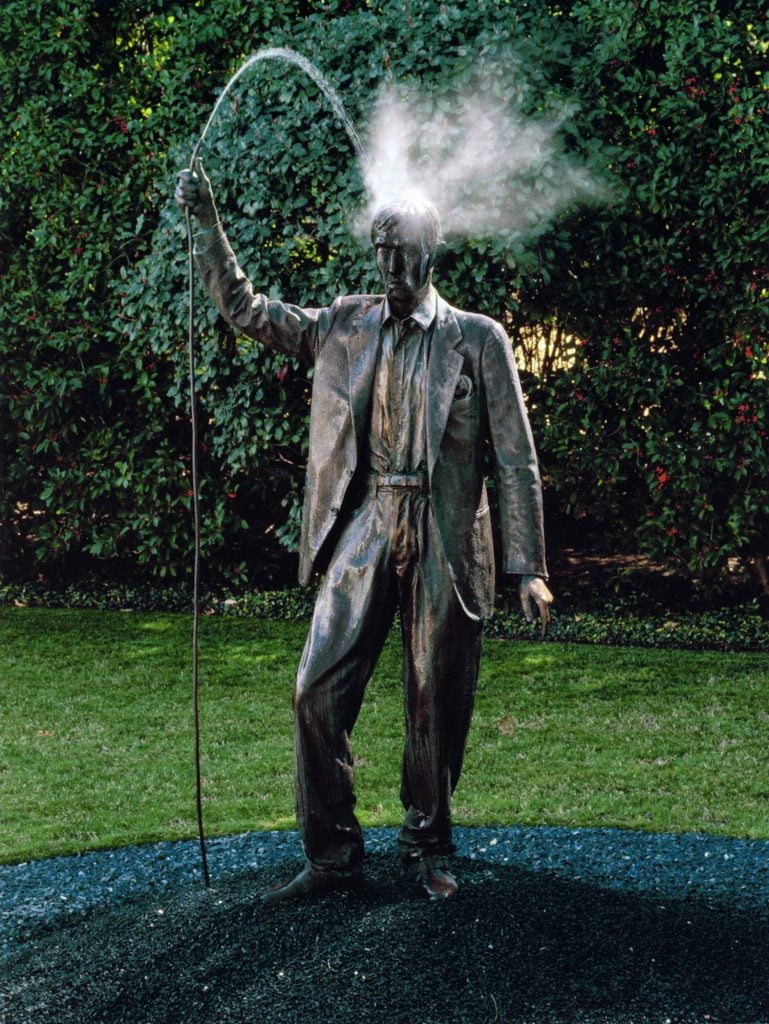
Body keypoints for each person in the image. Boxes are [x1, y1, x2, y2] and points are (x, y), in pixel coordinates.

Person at [175, 161, 554, 902]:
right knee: (314, 689)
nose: (388, 267)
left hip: (446, 531)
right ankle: (331, 855)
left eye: (402, 251)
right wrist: (209, 227)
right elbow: (251, 311)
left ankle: (427, 844)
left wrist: (528, 566)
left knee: (434, 697)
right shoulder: (346, 325)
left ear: (432, 251)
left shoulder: (477, 339)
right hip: (370, 521)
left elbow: (515, 459)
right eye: (378, 252)